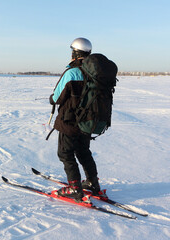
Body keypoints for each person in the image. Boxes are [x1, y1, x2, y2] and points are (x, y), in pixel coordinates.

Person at [49, 37, 101, 202]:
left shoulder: (72, 72)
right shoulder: (95, 73)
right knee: (83, 151)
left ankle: (74, 188)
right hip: (88, 122)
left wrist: (51, 99)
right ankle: (93, 183)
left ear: (74, 53)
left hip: (69, 122)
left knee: (65, 153)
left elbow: (57, 97)